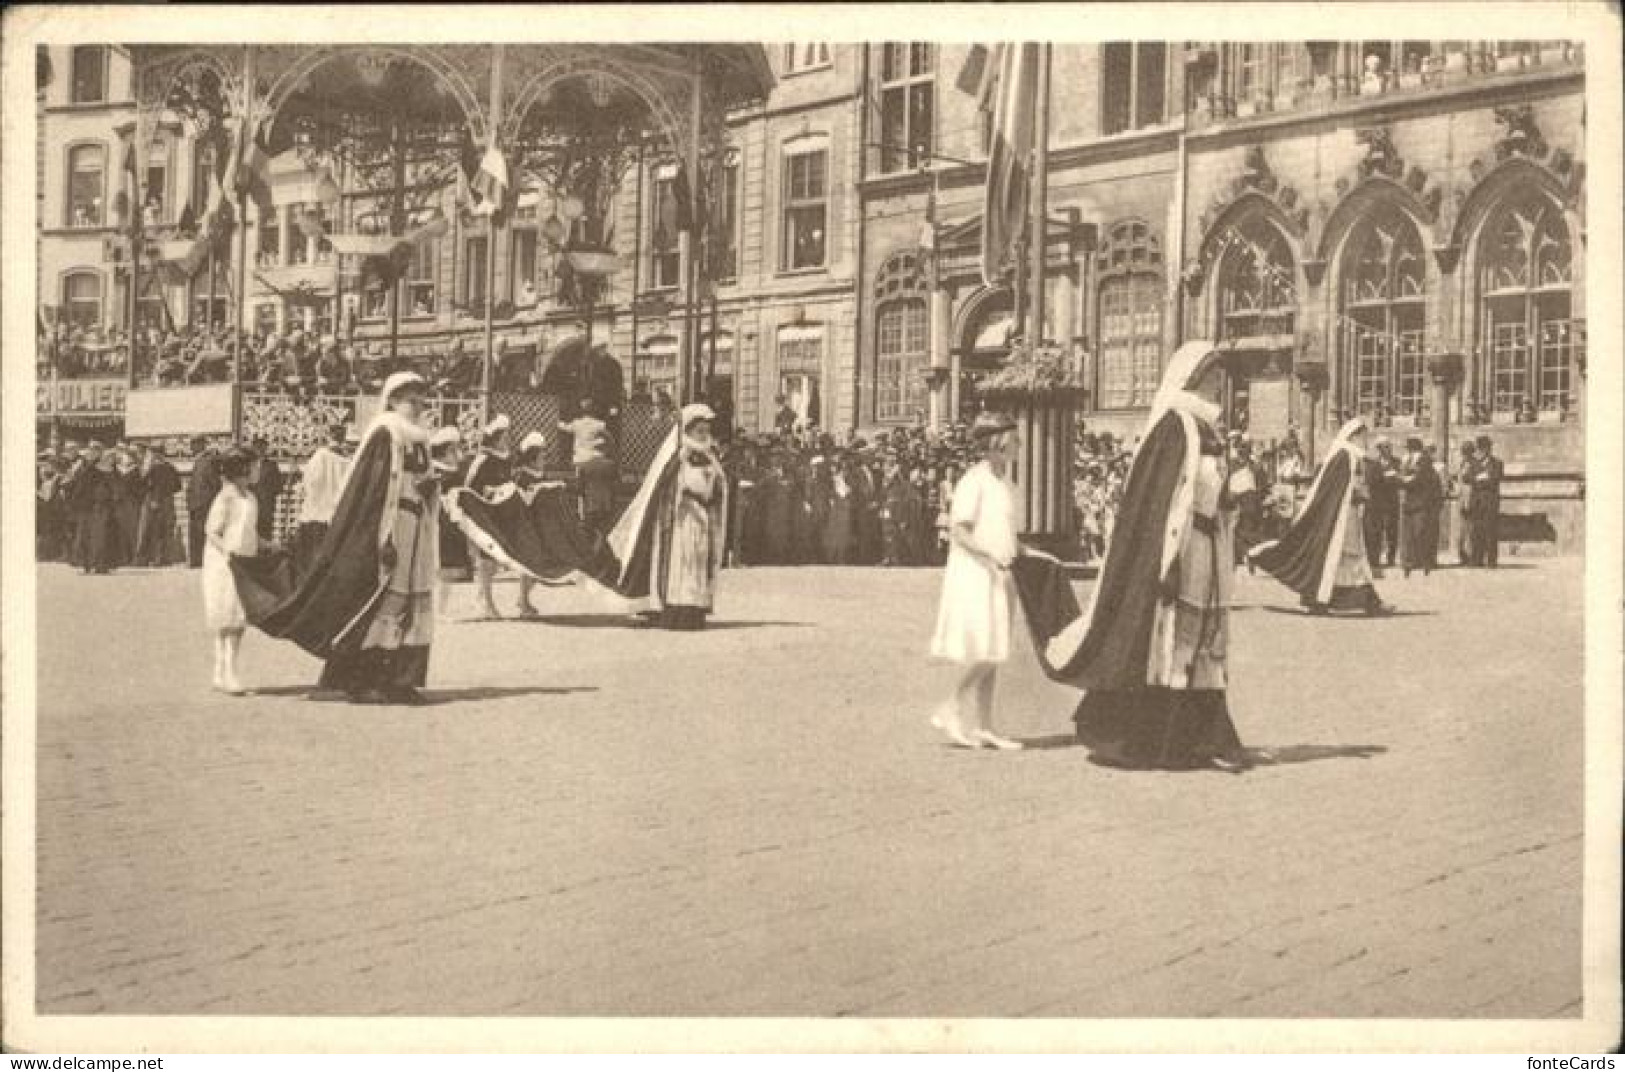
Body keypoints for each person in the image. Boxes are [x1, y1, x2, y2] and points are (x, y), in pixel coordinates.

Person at [1008, 341, 1248, 771]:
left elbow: (1206, 491)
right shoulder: (1176, 426)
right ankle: (1170, 739)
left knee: (1204, 639)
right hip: (1182, 550)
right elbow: (1158, 503)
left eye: (1220, 377)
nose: (1218, 384)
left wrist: (1232, 497)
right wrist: (1164, 560)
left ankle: (1204, 737)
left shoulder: (1209, 428)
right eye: (1211, 376)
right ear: (1193, 378)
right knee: (1174, 642)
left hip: (1208, 548)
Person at [234, 372, 441, 705]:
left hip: (415, 525)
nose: (416, 407)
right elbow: (371, 490)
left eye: (420, 400)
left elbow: (421, 480)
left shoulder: (420, 439)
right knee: (384, 603)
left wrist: (431, 491)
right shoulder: (385, 432)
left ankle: (399, 679)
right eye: (409, 400)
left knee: (409, 602)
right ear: (391, 400)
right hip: (388, 527)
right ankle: (364, 679)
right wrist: (379, 536)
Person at [928, 411, 1025, 751]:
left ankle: (985, 726)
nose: (1019, 444)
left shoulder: (1007, 484)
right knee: (989, 648)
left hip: (1002, 573)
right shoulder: (974, 480)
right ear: (997, 443)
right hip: (978, 573)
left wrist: (1031, 554)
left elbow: (1006, 534)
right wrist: (989, 557)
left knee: (996, 649)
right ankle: (951, 704)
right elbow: (959, 531)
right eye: (1014, 439)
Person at [1250, 416, 1394, 616]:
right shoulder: (1345, 456)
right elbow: (1339, 489)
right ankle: (1359, 602)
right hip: (1341, 519)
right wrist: (1358, 493)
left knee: (1347, 559)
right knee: (1347, 557)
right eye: (1362, 436)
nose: (1365, 440)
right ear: (1353, 436)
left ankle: (1348, 601)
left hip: (1346, 515)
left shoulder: (1348, 455)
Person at [606, 403, 729, 630]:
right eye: (699, 431)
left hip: (700, 518)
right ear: (688, 431)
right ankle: (676, 612)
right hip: (681, 520)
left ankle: (695, 611)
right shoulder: (678, 456)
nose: (704, 435)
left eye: (706, 431)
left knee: (696, 564)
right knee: (681, 566)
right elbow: (665, 486)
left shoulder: (709, 457)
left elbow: (719, 485)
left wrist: (713, 495)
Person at [202, 447, 259, 695]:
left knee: (236, 619)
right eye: (255, 466)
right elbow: (212, 529)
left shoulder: (251, 497)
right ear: (243, 469)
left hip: (244, 559)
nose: (258, 470)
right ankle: (226, 673)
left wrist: (267, 545)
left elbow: (248, 529)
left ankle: (223, 671)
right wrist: (227, 551)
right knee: (227, 618)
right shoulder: (226, 497)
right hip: (224, 562)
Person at [464, 415, 514, 619]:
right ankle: (487, 603)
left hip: (499, 513)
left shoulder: (504, 458)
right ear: (496, 438)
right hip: (484, 513)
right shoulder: (484, 458)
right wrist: (488, 491)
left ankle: (481, 599)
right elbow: (470, 485)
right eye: (504, 436)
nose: (507, 439)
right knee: (486, 560)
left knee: (492, 562)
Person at [293, 424, 351, 581]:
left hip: (316, 514)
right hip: (336, 516)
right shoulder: (347, 460)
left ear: (329, 436)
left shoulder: (321, 455)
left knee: (312, 562)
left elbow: (311, 481)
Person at [559, 397, 618, 534]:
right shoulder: (599, 424)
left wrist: (559, 423)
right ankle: (598, 513)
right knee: (594, 486)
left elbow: (565, 428)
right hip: (594, 458)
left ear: (582, 410)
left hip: (580, 460)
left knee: (581, 488)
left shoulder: (577, 424)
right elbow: (607, 437)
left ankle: (582, 514)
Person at [429, 425, 469, 619]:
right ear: (445, 451)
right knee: (438, 566)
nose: (457, 454)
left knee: (446, 568)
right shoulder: (436, 471)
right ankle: (437, 610)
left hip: (450, 521)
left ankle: (441, 609)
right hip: (438, 521)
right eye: (453, 449)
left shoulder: (454, 472)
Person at [1397, 437, 1443, 578]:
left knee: (1420, 533)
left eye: (1409, 449)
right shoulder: (1408, 461)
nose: (1408, 452)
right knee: (1408, 535)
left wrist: (1403, 480)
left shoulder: (1424, 461)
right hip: (1409, 503)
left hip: (1420, 503)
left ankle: (1425, 563)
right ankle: (1409, 563)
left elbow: (1419, 479)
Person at [134, 442, 181, 567]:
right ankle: (163, 558)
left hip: (152, 500)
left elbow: (143, 483)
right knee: (164, 530)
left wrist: (154, 498)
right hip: (167, 501)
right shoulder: (170, 467)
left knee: (147, 530)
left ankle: (143, 559)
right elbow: (178, 486)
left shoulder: (152, 467)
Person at [1227, 440, 1267, 571]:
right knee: (1244, 532)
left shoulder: (1237, 466)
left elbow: (1262, 487)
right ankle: (1245, 556)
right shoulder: (1252, 467)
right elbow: (1263, 488)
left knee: (1241, 531)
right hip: (1247, 504)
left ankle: (1246, 555)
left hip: (1244, 504)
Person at [1363, 437, 1400, 570]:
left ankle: (1391, 558)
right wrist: (1386, 478)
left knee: (1392, 531)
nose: (1388, 450)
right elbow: (1371, 480)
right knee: (1376, 532)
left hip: (1391, 501)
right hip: (1377, 502)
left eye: (1389, 447)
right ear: (1379, 448)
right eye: (1385, 447)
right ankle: (1375, 558)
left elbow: (1399, 478)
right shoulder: (1373, 463)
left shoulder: (1396, 462)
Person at [1467, 435, 1503, 567]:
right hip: (1476, 502)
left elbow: (1495, 479)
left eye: (1483, 449)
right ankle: (1476, 559)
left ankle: (1491, 560)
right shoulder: (1474, 463)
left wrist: (1479, 479)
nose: (1480, 452)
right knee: (1476, 532)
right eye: (1479, 449)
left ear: (1488, 449)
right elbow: (1468, 478)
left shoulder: (1497, 463)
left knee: (1490, 531)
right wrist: (1482, 478)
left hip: (1490, 502)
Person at [186, 436, 222, 568]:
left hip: (203, 503)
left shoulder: (207, 461)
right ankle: (196, 560)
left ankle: (201, 560)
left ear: (201, 445)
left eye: (194, 444)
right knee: (195, 533)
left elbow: (214, 484)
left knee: (202, 533)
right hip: (196, 503)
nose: (191, 448)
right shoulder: (200, 460)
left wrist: (210, 500)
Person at [1455, 441, 1477, 565]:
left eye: (1466, 452)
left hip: (1470, 500)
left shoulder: (1474, 464)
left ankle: (1470, 556)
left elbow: (1471, 484)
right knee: (1462, 531)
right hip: (1461, 500)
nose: (1464, 454)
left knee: (1470, 530)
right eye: (1463, 452)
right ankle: (1463, 555)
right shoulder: (1461, 464)